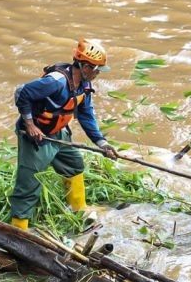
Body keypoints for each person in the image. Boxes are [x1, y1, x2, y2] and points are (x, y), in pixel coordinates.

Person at [9, 38, 118, 230]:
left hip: (59, 134)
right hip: (37, 137)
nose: (98, 74)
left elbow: (86, 115)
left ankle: (78, 208)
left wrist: (102, 143)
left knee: (74, 165)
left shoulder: (84, 85)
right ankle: (19, 227)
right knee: (29, 182)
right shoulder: (56, 82)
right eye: (96, 69)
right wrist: (30, 124)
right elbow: (22, 93)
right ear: (84, 66)